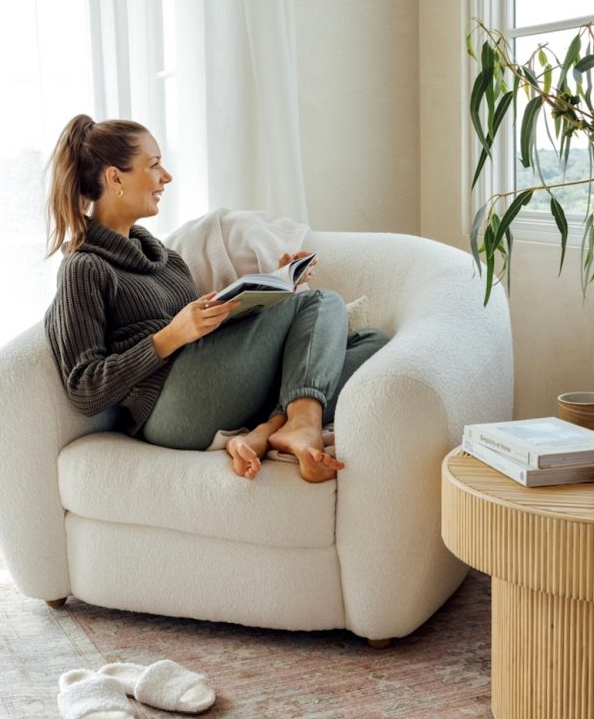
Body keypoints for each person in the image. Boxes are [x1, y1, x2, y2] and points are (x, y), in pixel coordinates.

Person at [44, 115, 388, 483]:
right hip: (167, 407)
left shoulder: (161, 255)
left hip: (204, 378)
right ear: (115, 178)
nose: (166, 177)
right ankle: (301, 424)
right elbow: (85, 388)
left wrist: (273, 286)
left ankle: (267, 431)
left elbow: (204, 334)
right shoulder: (84, 267)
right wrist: (170, 336)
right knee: (321, 302)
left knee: (369, 345)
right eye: (155, 165)